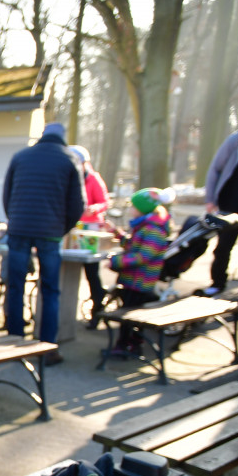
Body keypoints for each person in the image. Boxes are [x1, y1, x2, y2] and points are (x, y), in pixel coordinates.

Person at [2, 122, 85, 365]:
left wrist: (15, 219)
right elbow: (77, 203)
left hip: (19, 228)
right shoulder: (69, 159)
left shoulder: (21, 156)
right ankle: (47, 347)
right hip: (50, 232)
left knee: (15, 286)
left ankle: (14, 341)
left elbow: (7, 195)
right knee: (50, 290)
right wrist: (61, 228)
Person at [108, 188, 174, 356]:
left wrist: (116, 261)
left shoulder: (153, 229)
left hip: (140, 281)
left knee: (129, 316)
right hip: (135, 280)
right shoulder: (145, 226)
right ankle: (131, 345)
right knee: (130, 312)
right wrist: (117, 233)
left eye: (133, 206)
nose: (130, 209)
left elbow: (143, 256)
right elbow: (134, 245)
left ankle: (125, 346)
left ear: (143, 208)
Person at [68, 145, 113, 328]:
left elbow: (104, 201)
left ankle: (97, 308)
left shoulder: (93, 179)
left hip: (90, 227)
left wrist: (94, 208)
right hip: (72, 226)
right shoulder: (67, 177)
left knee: (91, 271)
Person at [200, 128, 238, 295]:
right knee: (223, 247)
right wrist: (210, 198)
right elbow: (215, 168)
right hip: (230, 202)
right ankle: (218, 283)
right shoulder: (237, 140)